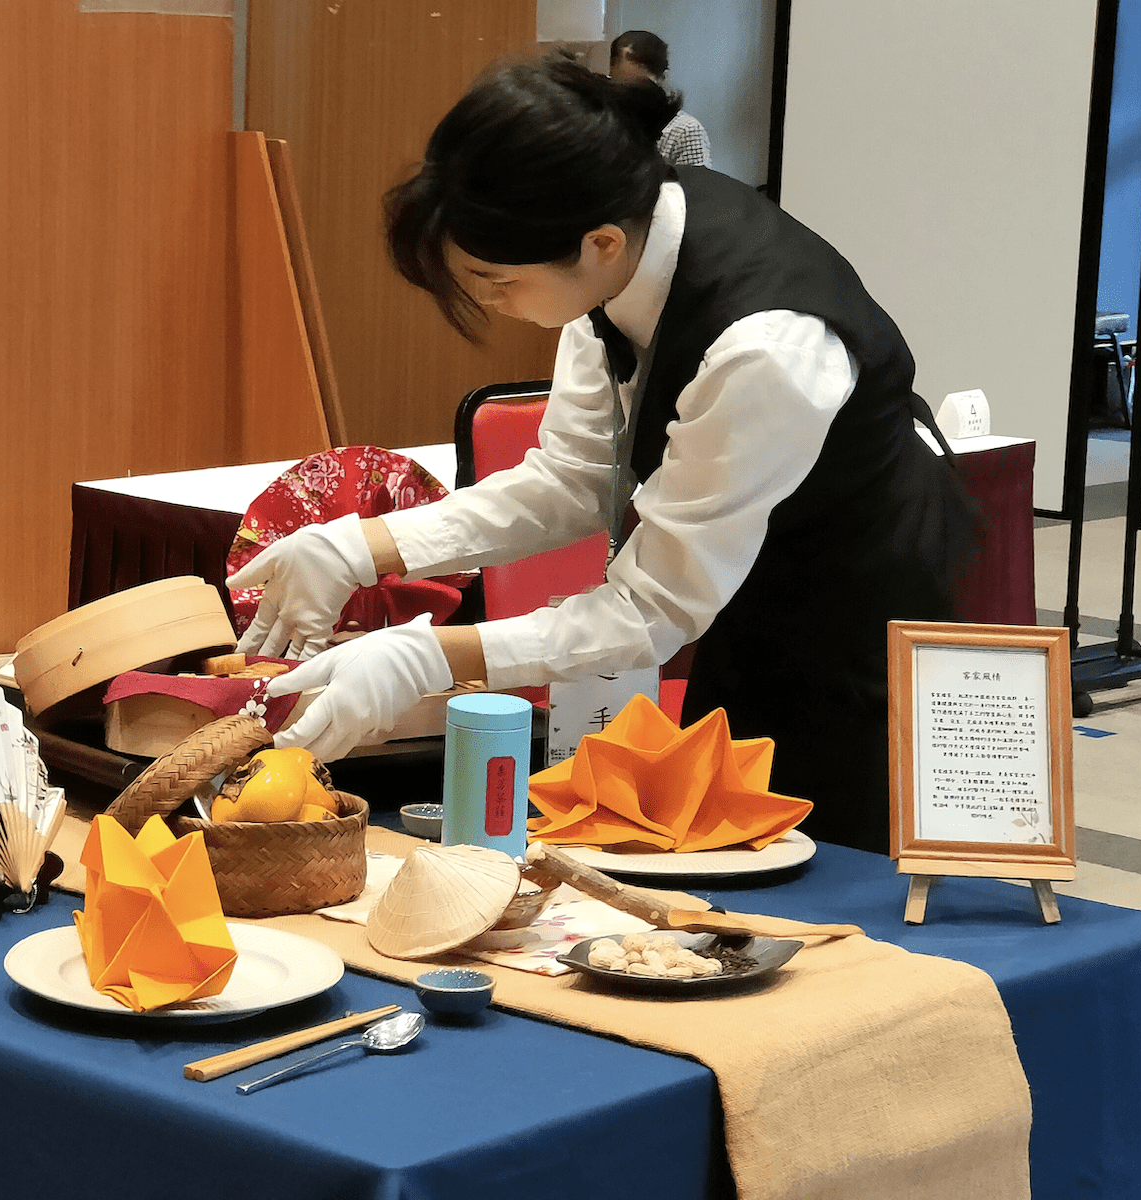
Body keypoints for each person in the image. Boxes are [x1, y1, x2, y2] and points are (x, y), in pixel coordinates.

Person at [226, 56, 980, 854]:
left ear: (600, 244)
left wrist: (425, 657)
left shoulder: (764, 348)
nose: (487, 300)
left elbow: (649, 612)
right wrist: (360, 545)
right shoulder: (616, 251)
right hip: (749, 583)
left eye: (494, 279)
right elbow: (574, 480)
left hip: (860, 598)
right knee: (735, 823)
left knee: (832, 850)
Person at [610, 30, 710, 169]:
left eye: (640, 90)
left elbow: (695, 188)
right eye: (621, 87)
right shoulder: (601, 121)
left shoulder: (686, 132)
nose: (629, 98)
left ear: (663, 78)